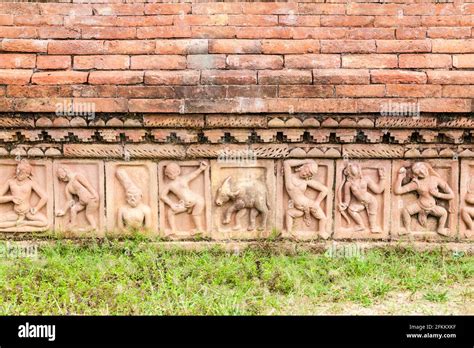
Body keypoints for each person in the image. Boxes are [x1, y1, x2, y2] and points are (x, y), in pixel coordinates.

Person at [394, 162, 454, 236]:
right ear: (415, 174)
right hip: (420, 205)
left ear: (427, 167)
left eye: (423, 168)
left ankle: (440, 229)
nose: (422, 172)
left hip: (432, 207)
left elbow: (451, 195)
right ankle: (407, 229)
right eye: (418, 172)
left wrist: (438, 194)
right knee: (406, 211)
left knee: (444, 213)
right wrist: (400, 178)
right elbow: (398, 191)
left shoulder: (435, 179)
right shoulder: (417, 183)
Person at [284, 159, 329, 238]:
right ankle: (289, 232)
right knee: (289, 213)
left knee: (323, 218)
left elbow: (325, 190)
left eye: (309, 174)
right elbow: (286, 163)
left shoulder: (305, 181)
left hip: (310, 205)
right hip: (299, 208)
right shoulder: (289, 177)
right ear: (302, 167)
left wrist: (317, 203)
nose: (306, 174)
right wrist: (305, 161)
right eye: (307, 170)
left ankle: (321, 232)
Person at [160, 162, 207, 234]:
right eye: (167, 174)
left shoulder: (184, 179)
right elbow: (162, 196)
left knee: (196, 215)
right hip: (185, 204)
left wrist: (201, 169)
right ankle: (173, 230)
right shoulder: (170, 185)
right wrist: (171, 204)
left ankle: (199, 229)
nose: (169, 176)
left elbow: (194, 174)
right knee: (170, 211)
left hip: (197, 200)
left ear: (178, 172)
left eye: (171, 173)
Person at [338, 162, 385, 233]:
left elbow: (378, 190)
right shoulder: (348, 184)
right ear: (348, 173)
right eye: (352, 172)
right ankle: (360, 225)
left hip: (371, 201)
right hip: (359, 202)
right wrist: (345, 204)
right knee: (351, 210)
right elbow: (347, 196)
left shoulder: (366, 179)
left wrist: (382, 177)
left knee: (372, 214)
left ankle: (373, 227)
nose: (356, 174)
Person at [0, 159, 48, 229]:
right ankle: (17, 223)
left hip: (28, 212)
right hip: (15, 212)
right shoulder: (10, 182)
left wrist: (36, 208)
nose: (19, 173)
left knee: (44, 222)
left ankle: (25, 223)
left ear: (27, 174)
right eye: (18, 170)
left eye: (22, 172)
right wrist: (11, 198)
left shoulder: (31, 183)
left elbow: (45, 197)